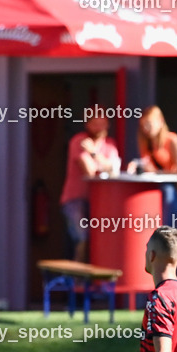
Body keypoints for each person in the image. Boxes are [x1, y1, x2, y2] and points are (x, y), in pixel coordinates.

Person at [58, 109, 119, 262]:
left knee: (100, 241)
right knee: (81, 238)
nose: (99, 127)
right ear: (87, 124)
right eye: (95, 123)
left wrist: (94, 153)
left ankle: (93, 282)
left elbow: (114, 169)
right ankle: (76, 283)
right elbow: (90, 171)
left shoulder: (110, 145)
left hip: (100, 201)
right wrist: (103, 163)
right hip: (75, 200)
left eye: (102, 123)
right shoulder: (78, 141)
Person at [132, 105, 177, 222]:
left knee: (168, 193)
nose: (146, 129)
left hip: (171, 189)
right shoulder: (145, 142)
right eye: (143, 125)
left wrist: (157, 172)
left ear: (160, 122)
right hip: (152, 187)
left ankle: (166, 235)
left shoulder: (172, 140)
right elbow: (146, 165)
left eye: (149, 124)